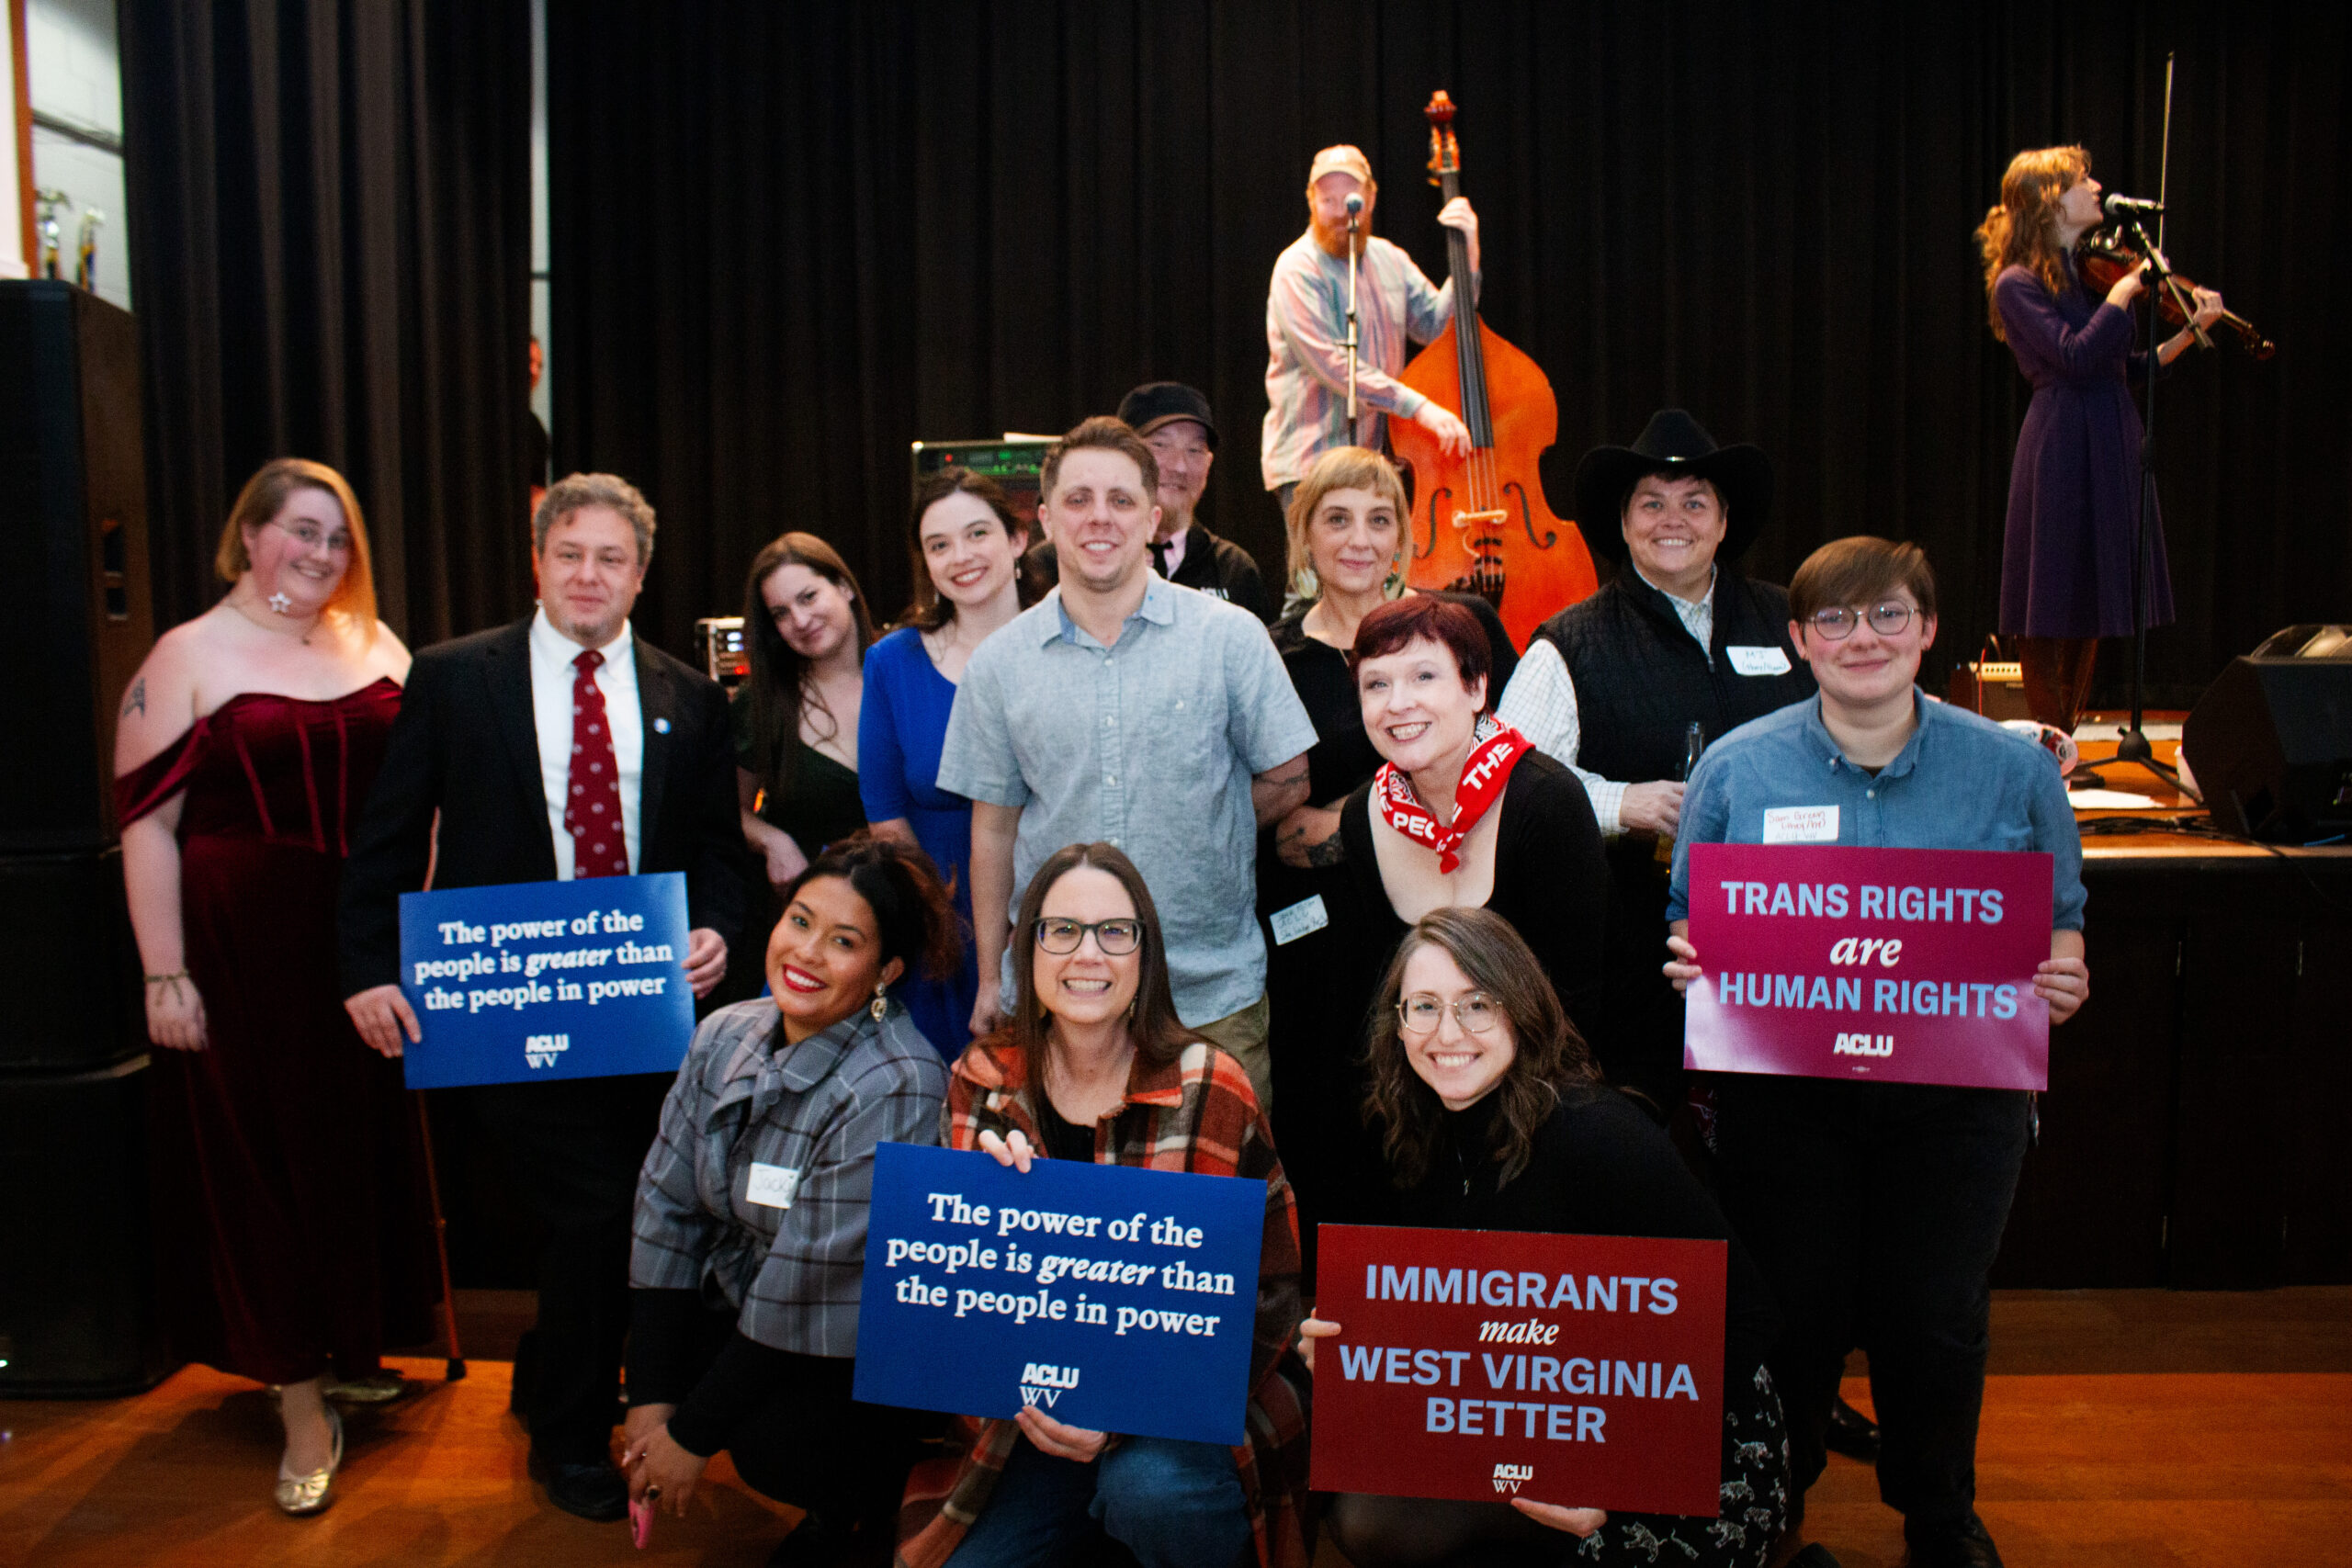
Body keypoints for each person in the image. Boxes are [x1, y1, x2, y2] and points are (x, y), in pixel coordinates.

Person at [1663, 536, 2091, 1568]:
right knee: (1794, 1312)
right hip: (1787, 1093)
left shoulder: (2014, 771)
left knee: (1934, 1315)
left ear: (1928, 631)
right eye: (1838, 621)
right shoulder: (1736, 766)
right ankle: (1779, 1500)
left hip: (1957, 1096)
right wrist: (1691, 961)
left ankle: (1938, 1511)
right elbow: (1688, 916)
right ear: (1801, 640)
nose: (1865, 638)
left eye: (1888, 615)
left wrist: (2062, 975)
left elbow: (2061, 916)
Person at [338, 471, 747, 1522]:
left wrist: (720, 930)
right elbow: (385, 837)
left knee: (636, 1211)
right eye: (570, 552)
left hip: (648, 1009)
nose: (587, 574)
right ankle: (571, 1438)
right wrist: (367, 969)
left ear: (641, 574)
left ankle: (553, 1373)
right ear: (537, 560)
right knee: (596, 1211)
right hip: (508, 1007)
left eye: (611, 558)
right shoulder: (449, 679)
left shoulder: (687, 697)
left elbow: (713, 848)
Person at [114, 458, 432, 1516]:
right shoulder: (185, 654)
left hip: (360, 952)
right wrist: (167, 974)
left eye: (337, 538)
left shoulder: (373, 641)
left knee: (346, 1152)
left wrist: (415, 930)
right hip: (241, 950)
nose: (321, 554)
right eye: (300, 531)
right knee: (260, 1164)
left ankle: (348, 1344)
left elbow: (419, 799)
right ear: (246, 535)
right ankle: (298, 1397)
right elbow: (148, 829)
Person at [1304, 907, 1792, 1568]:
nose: (1447, 1032)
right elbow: (1452, 1317)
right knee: (1355, 1498)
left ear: (1521, 1010)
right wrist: (1351, 1343)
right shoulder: (1418, 1129)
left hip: (1687, 1454)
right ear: (1397, 1023)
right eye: (1423, 1005)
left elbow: (1751, 1320)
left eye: (1477, 1003)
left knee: (1382, 1522)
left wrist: (1613, 1477)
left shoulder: (1597, 1132)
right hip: (1530, 1412)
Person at [896, 842, 1310, 1568]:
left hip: (1176, 1420)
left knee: (1151, 1493)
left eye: (1115, 931)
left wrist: (1123, 1416)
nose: (1088, 953)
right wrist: (982, 1199)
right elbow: (953, 1311)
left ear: (1145, 954)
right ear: (1027, 948)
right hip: (1028, 1423)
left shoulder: (1211, 1084)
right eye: (1062, 929)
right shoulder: (981, 1080)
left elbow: (1272, 1294)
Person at [939, 416, 1317, 1112]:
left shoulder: (1230, 639)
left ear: (1154, 515)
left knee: (1218, 1218)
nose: (1099, 518)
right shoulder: (999, 664)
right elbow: (992, 829)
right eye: (1078, 500)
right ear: (1047, 518)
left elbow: (1290, 776)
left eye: (1120, 499)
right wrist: (993, 976)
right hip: (1057, 1004)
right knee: (1063, 1216)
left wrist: (1212, 816)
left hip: (1209, 996)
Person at [624, 836, 957, 1566]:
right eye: (800, 921)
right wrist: (648, 1398)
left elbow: (802, 1284)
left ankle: (857, 1509)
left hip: (847, 1342)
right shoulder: (724, 1032)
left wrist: (689, 1436)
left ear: (885, 972)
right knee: (648, 1342)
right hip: (746, 1300)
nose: (806, 953)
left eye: (844, 941)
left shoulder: (900, 1080)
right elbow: (664, 1207)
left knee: (774, 1442)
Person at [1496, 411, 1815, 1116]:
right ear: (1625, 522)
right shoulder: (1568, 644)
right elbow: (1505, 774)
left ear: (1725, 521)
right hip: (1634, 958)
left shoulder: (1793, 621)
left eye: (1695, 501)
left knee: (1781, 1144)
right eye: (1653, 502)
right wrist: (1619, 803)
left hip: (1793, 947)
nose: (1675, 519)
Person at [1254, 446, 1517, 1258]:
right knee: (1328, 1114)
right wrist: (1398, 808)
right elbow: (1280, 831)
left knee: (1439, 1109)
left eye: (1380, 519)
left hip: (1439, 916)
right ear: (1304, 536)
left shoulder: (1459, 630)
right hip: (1313, 943)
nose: (1359, 539)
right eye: (1337, 518)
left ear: (1403, 535)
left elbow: (1498, 769)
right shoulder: (1271, 654)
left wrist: (1348, 818)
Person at [1296, 596, 1609, 1235]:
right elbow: (1371, 1000)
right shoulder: (1363, 815)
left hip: (1544, 1113)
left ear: (1475, 686)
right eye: (1376, 684)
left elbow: (1583, 1002)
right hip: (1422, 1115)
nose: (1398, 703)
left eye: (1423, 677)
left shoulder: (1546, 802)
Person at [1974, 145, 2225, 737]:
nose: (2096, 187)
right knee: (2049, 597)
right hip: (2061, 442)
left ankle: (2068, 736)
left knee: (2087, 595)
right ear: (2047, 200)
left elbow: (2122, 369)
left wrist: (2191, 333)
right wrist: (2122, 295)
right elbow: (2075, 357)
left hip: (2109, 433)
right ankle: (2050, 740)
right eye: (2082, 180)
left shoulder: (2089, 274)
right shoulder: (2019, 283)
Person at [861, 468, 1032, 1058]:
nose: (961, 556)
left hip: (1055, 918)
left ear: (1018, 540)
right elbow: (884, 813)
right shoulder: (892, 662)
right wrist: (944, 925)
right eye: (939, 545)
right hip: (940, 926)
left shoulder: (1067, 644)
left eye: (977, 533)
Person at [1261, 143, 1479, 511]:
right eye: (1326, 200)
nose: (1338, 212)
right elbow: (1333, 365)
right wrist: (1419, 407)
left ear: (1371, 198)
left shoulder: (1390, 259)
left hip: (1378, 461)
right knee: (1320, 570)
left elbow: (1437, 327)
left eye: (1349, 200)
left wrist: (1467, 257)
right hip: (1311, 462)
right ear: (1311, 202)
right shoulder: (1295, 268)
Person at [1026, 383, 1273, 622]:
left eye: (1194, 450)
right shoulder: (1045, 566)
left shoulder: (1233, 569)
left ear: (1209, 464)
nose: (1179, 466)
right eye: (1160, 445)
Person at [737, 532, 873, 891]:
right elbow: (728, 812)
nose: (799, 620)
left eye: (808, 597)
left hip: (912, 907)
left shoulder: (903, 674)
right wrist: (772, 840)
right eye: (781, 613)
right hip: (811, 911)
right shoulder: (763, 701)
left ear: (844, 586)